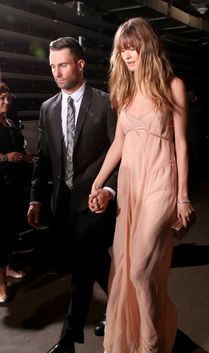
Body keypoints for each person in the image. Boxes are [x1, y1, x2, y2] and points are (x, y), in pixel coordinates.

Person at [89, 17, 194, 353]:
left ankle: (150, 345)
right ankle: (142, 338)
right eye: (122, 50)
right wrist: (97, 181)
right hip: (131, 181)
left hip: (162, 179)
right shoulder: (125, 90)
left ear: (147, 47)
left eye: (132, 48)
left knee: (139, 267)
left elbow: (181, 144)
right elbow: (118, 143)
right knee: (127, 266)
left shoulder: (172, 85)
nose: (127, 55)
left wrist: (183, 198)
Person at [27, 37, 117, 353]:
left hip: (95, 203)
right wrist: (36, 198)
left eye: (63, 64)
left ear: (80, 64)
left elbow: (121, 156)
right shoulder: (48, 108)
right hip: (62, 205)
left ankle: (68, 341)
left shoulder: (106, 103)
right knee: (98, 265)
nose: (57, 72)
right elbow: (43, 157)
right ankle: (126, 311)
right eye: (52, 67)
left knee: (81, 269)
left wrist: (108, 189)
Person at [0, 82, 32, 304]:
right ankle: (0, 284)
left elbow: (17, 149)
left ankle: (8, 267)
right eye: (2, 98)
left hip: (13, 184)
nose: (6, 102)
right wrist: (6, 157)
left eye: (7, 98)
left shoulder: (10, 122)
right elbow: (6, 155)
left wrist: (25, 156)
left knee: (11, 230)